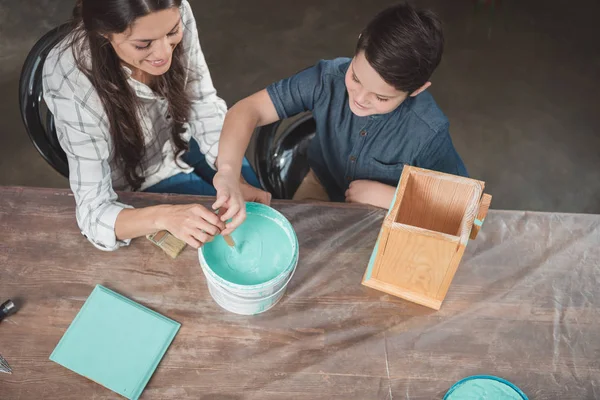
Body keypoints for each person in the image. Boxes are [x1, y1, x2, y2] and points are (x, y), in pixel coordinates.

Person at [211, 2, 467, 235]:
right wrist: (228, 172)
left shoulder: (428, 132)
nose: (360, 99)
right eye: (356, 78)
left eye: (381, 97)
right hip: (321, 182)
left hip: (386, 212)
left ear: (419, 89)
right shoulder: (327, 78)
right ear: (359, 44)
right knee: (300, 243)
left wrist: (394, 198)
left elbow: (465, 211)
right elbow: (247, 110)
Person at [43, 0, 271, 251]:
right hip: (142, 171)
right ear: (103, 33)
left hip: (183, 134)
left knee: (256, 209)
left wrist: (228, 171)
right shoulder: (70, 79)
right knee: (220, 235)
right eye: (143, 44)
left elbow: (202, 102)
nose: (164, 55)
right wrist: (165, 216)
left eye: (172, 33)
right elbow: (93, 215)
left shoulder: (174, 10)